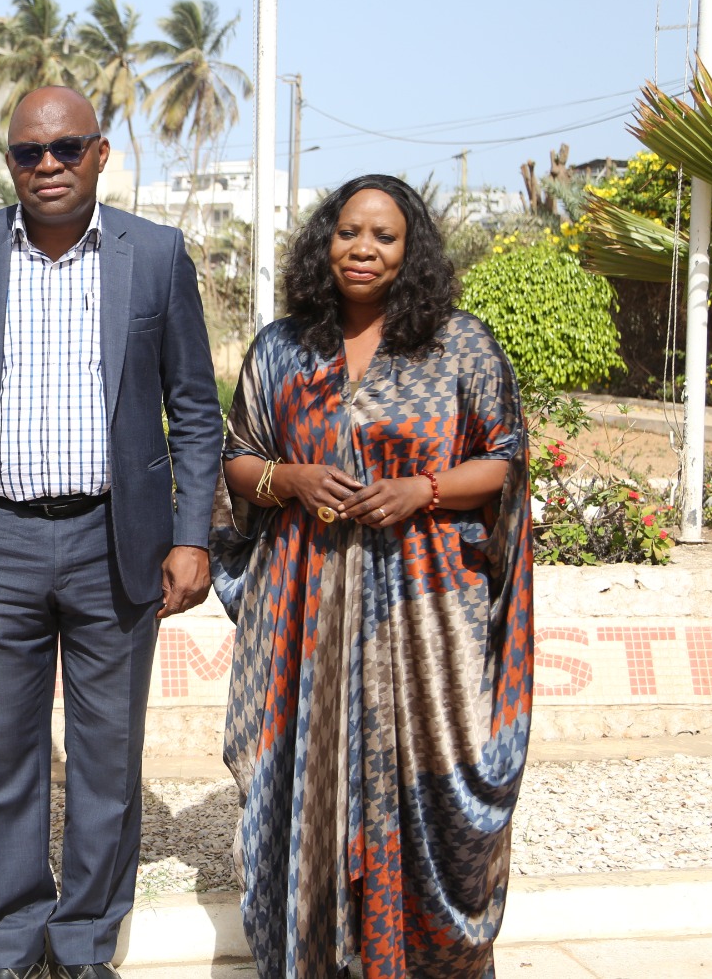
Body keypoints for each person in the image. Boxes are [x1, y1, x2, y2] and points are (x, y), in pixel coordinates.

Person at [0, 86, 224, 979]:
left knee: (106, 757)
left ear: (99, 153)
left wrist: (192, 534)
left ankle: (87, 941)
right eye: (28, 152)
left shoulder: (154, 254)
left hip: (115, 543)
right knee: (1, 756)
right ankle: (14, 942)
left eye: (65, 148)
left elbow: (193, 407)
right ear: (9, 161)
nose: (47, 165)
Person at [211, 174, 534, 978]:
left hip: (424, 612)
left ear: (410, 250)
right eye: (348, 231)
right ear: (325, 241)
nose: (363, 249)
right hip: (305, 603)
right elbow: (238, 456)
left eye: (384, 236)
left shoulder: (459, 344)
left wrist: (423, 489)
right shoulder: (283, 347)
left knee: (435, 787)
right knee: (305, 786)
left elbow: (503, 459)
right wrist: (290, 479)